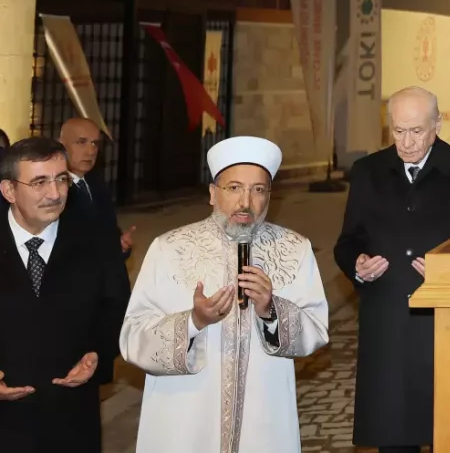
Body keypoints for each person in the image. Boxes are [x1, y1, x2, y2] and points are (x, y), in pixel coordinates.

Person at [119, 135, 330, 453]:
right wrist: (193, 322)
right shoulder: (168, 248)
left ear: (270, 196)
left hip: (264, 423)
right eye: (234, 188)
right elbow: (132, 338)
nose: (246, 202)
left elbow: (316, 331)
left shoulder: (294, 249)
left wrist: (271, 311)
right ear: (212, 193)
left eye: (258, 190)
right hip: (184, 423)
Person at [335, 86, 450, 452]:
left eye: (416, 131)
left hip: (445, 325)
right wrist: (357, 265)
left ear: (437, 125)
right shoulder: (367, 172)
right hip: (388, 323)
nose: (406, 142)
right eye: (397, 130)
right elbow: (348, 241)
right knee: (394, 434)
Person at [0, 136, 130, 453]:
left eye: (61, 179)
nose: (55, 194)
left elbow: (117, 309)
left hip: (71, 417)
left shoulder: (97, 237)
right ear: (9, 190)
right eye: (40, 182)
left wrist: (98, 352)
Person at [60, 117, 135, 258]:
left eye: (95, 143)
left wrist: (121, 246)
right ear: (62, 146)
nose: (90, 151)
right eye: (81, 142)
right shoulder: (53, 190)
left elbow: (109, 233)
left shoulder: (96, 183)